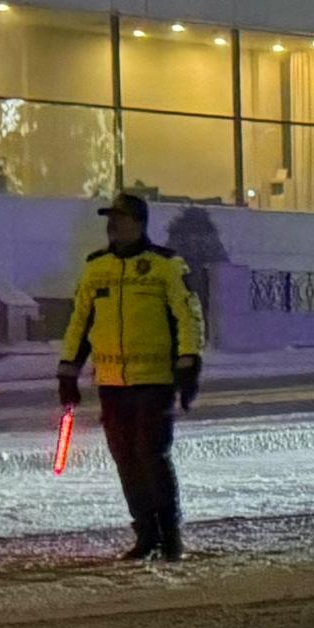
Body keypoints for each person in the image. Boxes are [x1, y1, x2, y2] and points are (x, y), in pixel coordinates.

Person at [56, 190, 204, 560]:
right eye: (110, 219)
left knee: (151, 456)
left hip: (154, 380)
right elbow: (79, 322)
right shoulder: (97, 267)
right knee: (125, 459)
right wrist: (68, 371)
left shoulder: (164, 266)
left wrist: (189, 364)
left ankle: (170, 535)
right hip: (111, 382)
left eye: (119, 218)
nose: (112, 225)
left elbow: (188, 317)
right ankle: (145, 533)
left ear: (139, 223)